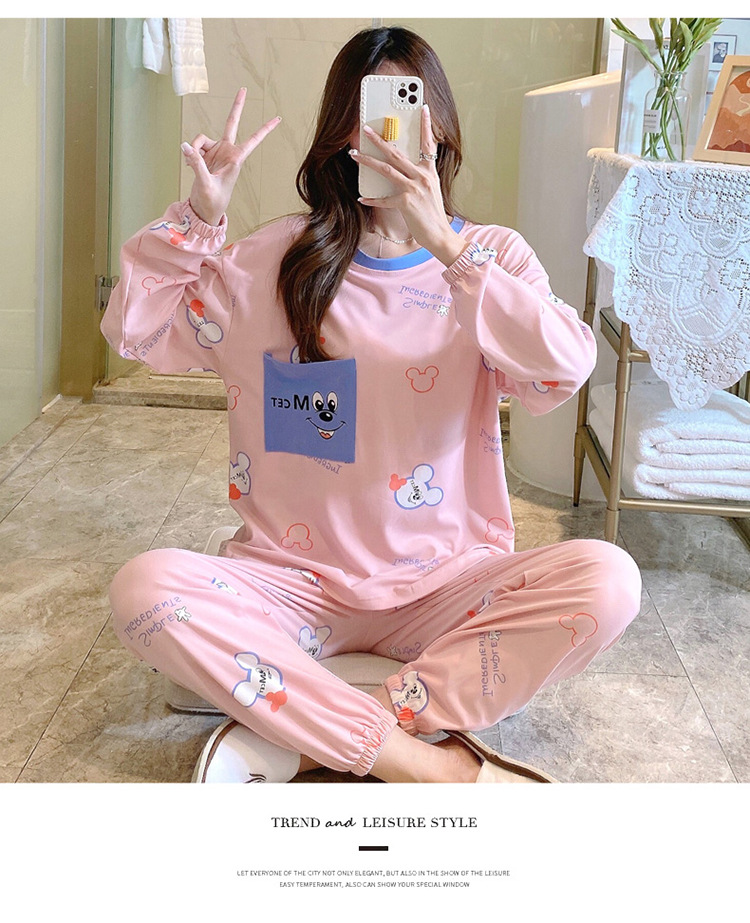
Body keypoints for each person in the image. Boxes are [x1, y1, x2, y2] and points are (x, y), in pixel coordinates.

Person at [103, 26, 641, 784]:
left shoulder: (490, 259)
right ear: (340, 135)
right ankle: (422, 758)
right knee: (145, 591)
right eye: (368, 116)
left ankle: (305, 726)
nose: (386, 138)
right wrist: (197, 217)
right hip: (292, 585)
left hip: (444, 587)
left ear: (438, 128)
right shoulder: (274, 262)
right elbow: (137, 330)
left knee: (610, 580)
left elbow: (563, 370)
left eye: (404, 112)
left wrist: (448, 249)